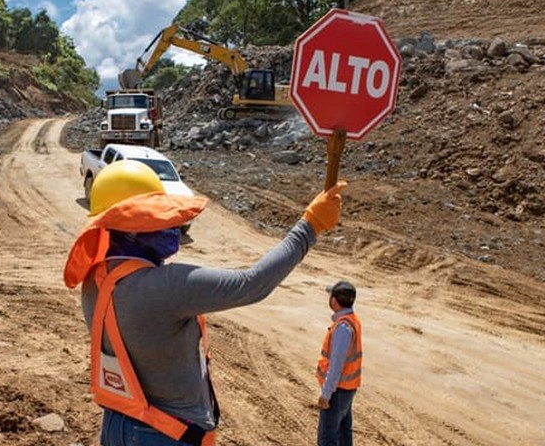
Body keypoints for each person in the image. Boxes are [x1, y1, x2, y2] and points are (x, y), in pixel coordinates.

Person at [64, 160, 346, 446]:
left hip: (118, 424)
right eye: (158, 217)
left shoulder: (94, 281)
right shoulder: (167, 286)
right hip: (165, 433)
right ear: (129, 228)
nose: (173, 224)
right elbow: (252, 283)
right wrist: (310, 226)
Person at [316, 280, 362, 446]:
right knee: (343, 434)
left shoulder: (342, 327)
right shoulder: (352, 320)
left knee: (327, 438)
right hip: (347, 389)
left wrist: (326, 394)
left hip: (337, 391)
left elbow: (336, 364)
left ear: (334, 301)